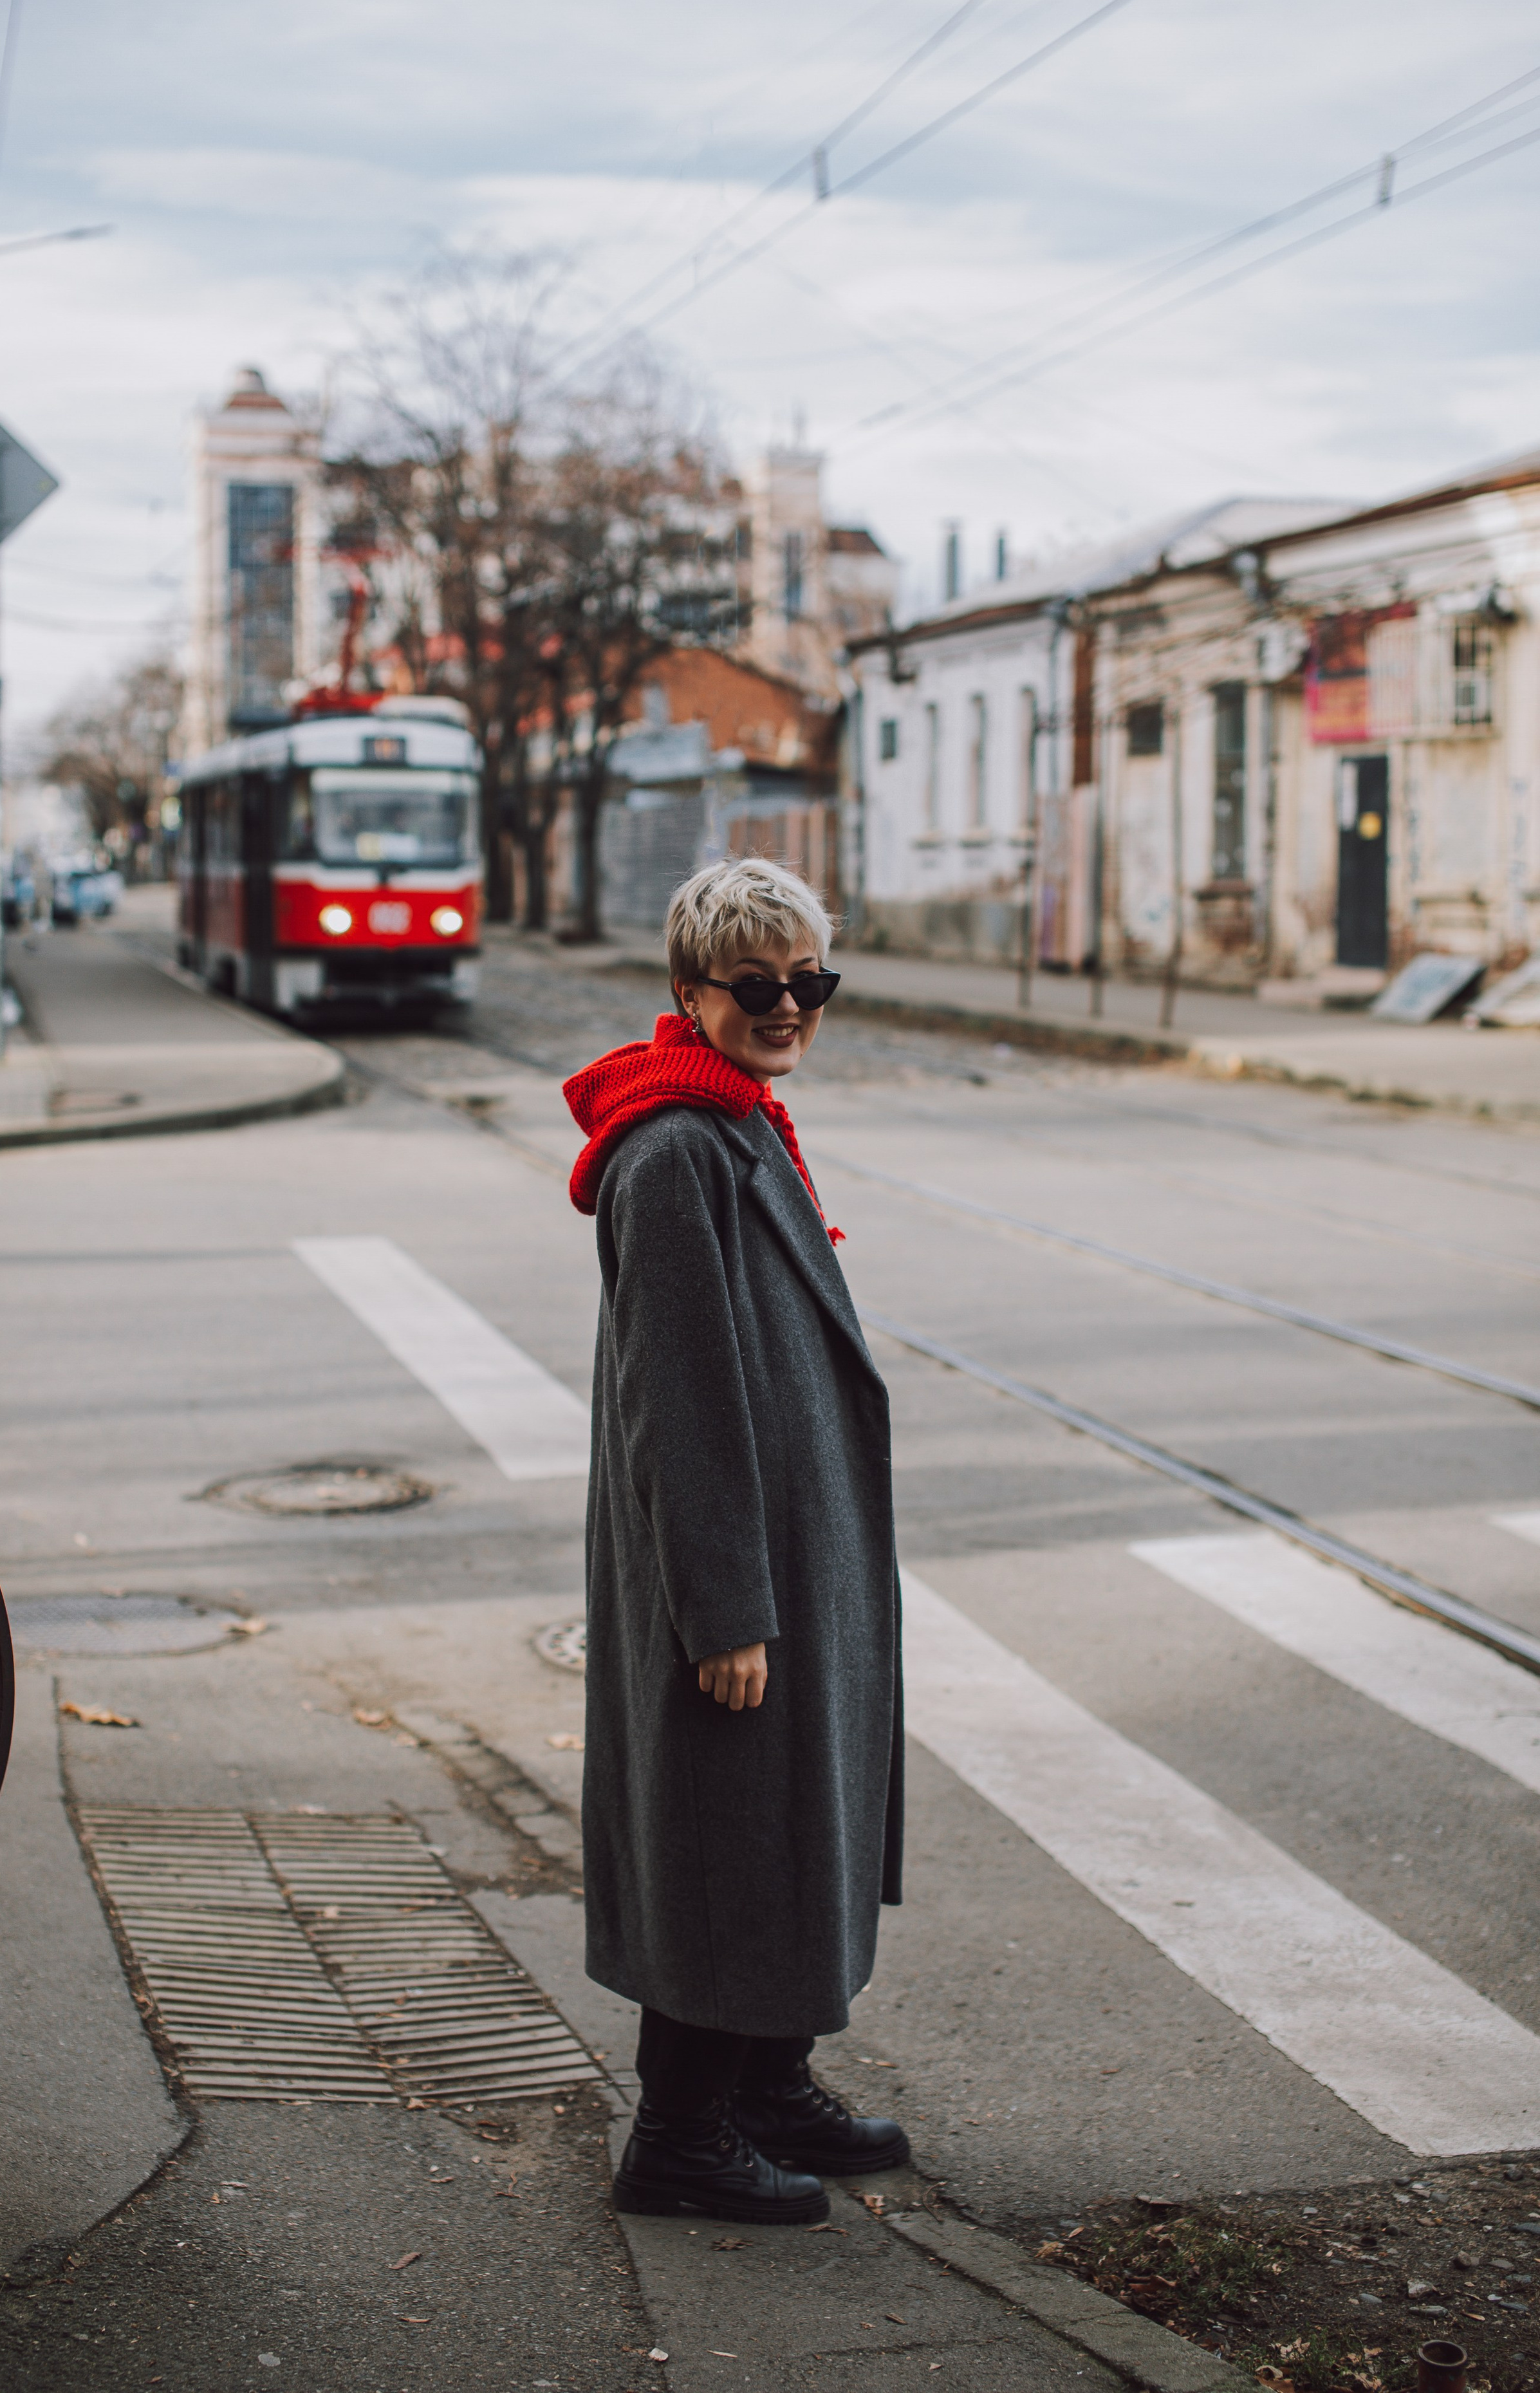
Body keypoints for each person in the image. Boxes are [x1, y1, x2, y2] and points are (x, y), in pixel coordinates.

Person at [562, 857, 907, 2227]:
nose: (785, 1010)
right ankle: (681, 2136)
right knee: (724, 1839)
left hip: (786, 1550)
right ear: (689, 994)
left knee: (785, 1827)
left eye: (807, 985)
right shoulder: (670, 1154)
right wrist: (723, 1612)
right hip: (733, 1572)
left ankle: (770, 2081)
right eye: (755, 988)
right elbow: (680, 1406)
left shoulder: (738, 1118)